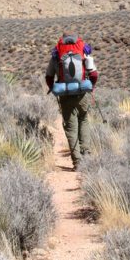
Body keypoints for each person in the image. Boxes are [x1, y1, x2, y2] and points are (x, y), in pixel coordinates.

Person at [45, 31, 98, 169]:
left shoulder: (57, 53)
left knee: (70, 128)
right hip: (82, 94)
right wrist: (91, 86)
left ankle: (78, 162)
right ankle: (85, 152)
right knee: (83, 120)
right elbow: (94, 74)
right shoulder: (83, 50)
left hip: (65, 96)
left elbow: (48, 76)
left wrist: (54, 88)